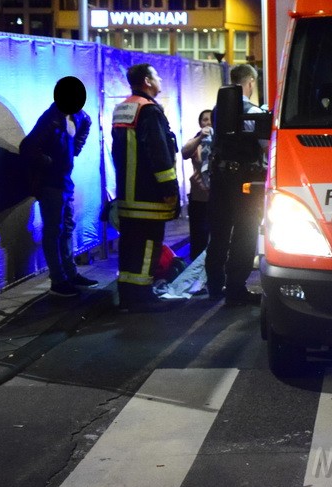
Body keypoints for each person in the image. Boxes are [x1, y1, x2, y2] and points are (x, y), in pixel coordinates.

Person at [110, 63, 181, 311]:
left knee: (130, 246)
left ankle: (128, 295)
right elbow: (158, 153)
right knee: (149, 245)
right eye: (157, 75)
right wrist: (170, 188)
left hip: (127, 195)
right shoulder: (149, 110)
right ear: (147, 81)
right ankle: (142, 297)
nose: (160, 78)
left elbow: (116, 153)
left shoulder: (123, 108)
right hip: (148, 196)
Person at [20, 76, 97, 298]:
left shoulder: (79, 116)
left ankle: (70, 274)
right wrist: (51, 163)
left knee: (66, 228)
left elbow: (83, 130)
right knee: (54, 231)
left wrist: (72, 153)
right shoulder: (50, 118)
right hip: (51, 183)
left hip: (64, 181)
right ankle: (58, 279)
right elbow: (27, 147)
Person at [205, 63, 267, 306]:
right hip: (244, 182)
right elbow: (264, 147)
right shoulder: (251, 111)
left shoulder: (218, 109)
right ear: (250, 82)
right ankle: (235, 288)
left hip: (220, 179)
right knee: (245, 232)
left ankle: (214, 285)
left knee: (219, 232)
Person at [181, 109, 214, 261]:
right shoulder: (197, 141)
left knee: (216, 238)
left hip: (217, 198)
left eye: (211, 119)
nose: (208, 122)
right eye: (204, 120)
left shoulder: (221, 141)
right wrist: (200, 137)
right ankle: (196, 274)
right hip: (199, 199)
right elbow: (184, 153)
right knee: (198, 239)